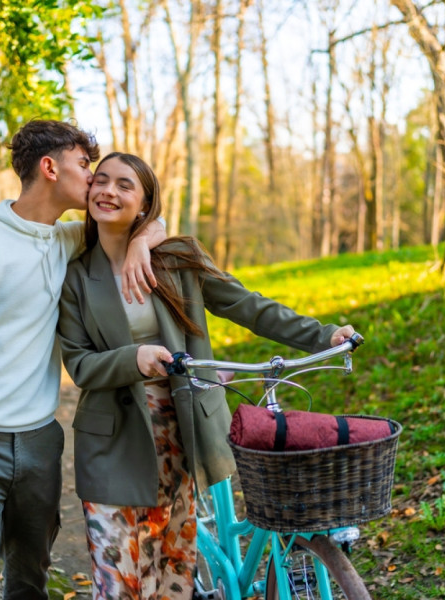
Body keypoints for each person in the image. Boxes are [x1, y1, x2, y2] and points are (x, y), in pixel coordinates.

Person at [57, 152, 357, 600]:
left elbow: (249, 306)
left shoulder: (177, 259)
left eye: (124, 185)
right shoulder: (77, 277)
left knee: (172, 571)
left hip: (181, 432)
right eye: (101, 181)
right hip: (113, 442)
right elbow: (79, 363)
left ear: (144, 204)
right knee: (119, 578)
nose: (108, 191)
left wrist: (324, 336)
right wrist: (134, 359)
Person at [0, 122, 165, 600]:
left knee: (31, 581)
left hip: (39, 443)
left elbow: (150, 218)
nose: (94, 180)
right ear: (49, 167)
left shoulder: (68, 239)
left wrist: (138, 245)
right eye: (85, 166)